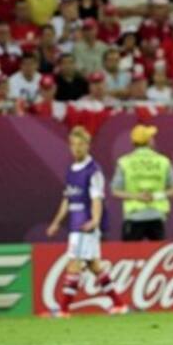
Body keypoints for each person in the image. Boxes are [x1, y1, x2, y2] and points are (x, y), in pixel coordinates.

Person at [45, 126, 127, 317]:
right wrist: (56, 222)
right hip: (75, 225)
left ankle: (63, 310)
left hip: (85, 225)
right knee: (94, 266)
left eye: (81, 144)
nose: (77, 148)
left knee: (73, 264)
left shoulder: (93, 171)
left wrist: (95, 220)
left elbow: (97, 198)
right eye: (73, 144)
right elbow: (67, 198)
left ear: (88, 145)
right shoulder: (71, 170)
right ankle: (119, 304)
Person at [111, 124, 173, 241]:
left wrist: (137, 196)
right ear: (149, 141)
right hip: (156, 216)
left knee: (129, 252)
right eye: (151, 137)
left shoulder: (124, 162)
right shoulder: (163, 161)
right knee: (158, 252)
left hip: (133, 216)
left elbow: (115, 191)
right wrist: (156, 196)